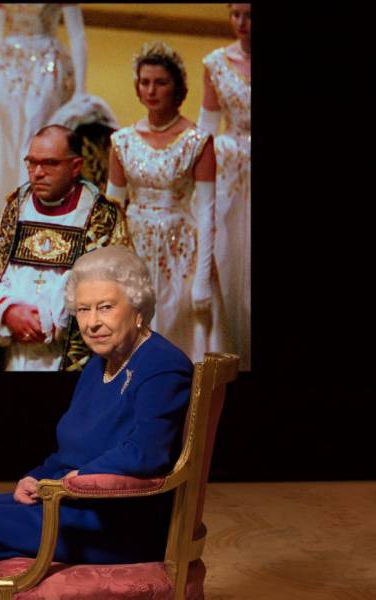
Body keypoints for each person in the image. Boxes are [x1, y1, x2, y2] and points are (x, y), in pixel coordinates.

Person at [0, 246, 194, 599]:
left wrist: (76, 479)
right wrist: (37, 477)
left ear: (138, 308)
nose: (92, 322)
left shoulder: (162, 366)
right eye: (83, 310)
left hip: (119, 522)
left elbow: (145, 453)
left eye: (105, 307)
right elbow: (71, 448)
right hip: (76, 502)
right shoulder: (98, 364)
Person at [0, 125, 130, 372]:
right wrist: (8, 311)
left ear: (75, 166)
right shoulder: (16, 208)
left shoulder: (100, 217)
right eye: (31, 163)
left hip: (68, 360)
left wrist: (49, 320)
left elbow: (114, 291)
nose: (37, 173)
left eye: (49, 164)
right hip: (13, 354)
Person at [106, 41, 228, 363]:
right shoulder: (122, 141)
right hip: (135, 248)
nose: (151, 90)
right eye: (145, 82)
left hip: (181, 253)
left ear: (177, 87)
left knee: (180, 338)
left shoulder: (198, 141)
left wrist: (201, 279)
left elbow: (206, 210)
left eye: (160, 82)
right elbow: (111, 208)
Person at [0, 4, 86, 220]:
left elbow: (78, 35)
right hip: (6, 67)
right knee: (2, 137)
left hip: (46, 67)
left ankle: (34, 214)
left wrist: (80, 92)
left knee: (36, 133)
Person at [198, 4, 251, 370]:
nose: (242, 24)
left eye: (250, 15)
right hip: (231, 172)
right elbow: (206, 126)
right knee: (229, 260)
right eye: (235, 14)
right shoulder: (216, 63)